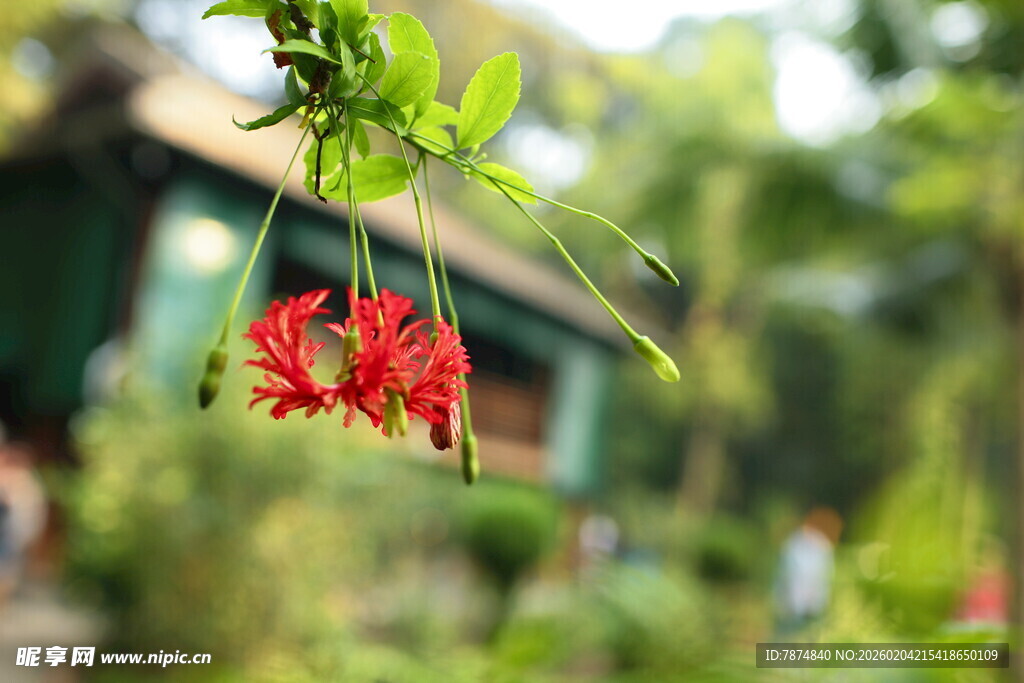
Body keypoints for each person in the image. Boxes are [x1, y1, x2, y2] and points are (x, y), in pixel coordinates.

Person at [774, 506, 842, 636]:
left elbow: (825, 576)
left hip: (813, 602)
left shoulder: (823, 547)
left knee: (807, 635)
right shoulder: (793, 544)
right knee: (789, 635)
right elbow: (784, 574)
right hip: (791, 602)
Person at [0, 432, 47, 606]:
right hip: (11, 540)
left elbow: (30, 518)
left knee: (5, 577)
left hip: (10, 540)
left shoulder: (27, 484)